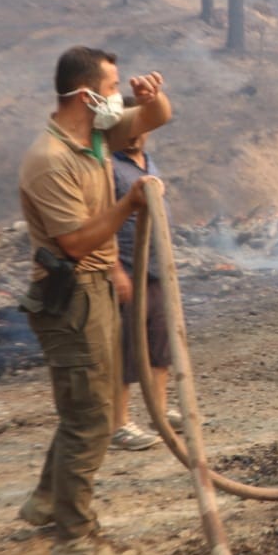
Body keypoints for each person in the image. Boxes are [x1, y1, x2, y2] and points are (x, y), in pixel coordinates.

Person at [15, 46, 171, 555]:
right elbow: (76, 243)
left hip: (98, 287)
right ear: (86, 95)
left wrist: (152, 99)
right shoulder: (50, 160)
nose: (116, 95)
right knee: (92, 417)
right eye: (110, 87)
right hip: (71, 297)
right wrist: (130, 205)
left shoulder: (96, 136)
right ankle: (75, 538)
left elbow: (156, 118)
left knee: (85, 405)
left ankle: (45, 502)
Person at [110, 114, 183, 449]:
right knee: (125, 351)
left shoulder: (148, 163)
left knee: (160, 347)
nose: (133, 138)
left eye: (138, 131)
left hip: (156, 270)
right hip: (128, 269)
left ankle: (159, 411)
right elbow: (102, 220)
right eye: (126, 132)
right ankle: (120, 423)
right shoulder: (108, 168)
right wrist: (115, 271)